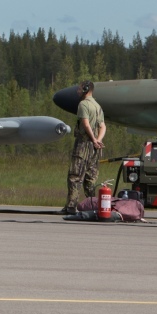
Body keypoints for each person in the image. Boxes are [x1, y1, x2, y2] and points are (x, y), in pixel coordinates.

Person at [62, 79, 105, 214]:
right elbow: (103, 126)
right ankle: (92, 206)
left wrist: (92, 139)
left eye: (80, 89)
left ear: (86, 89)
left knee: (75, 176)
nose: (78, 91)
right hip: (95, 148)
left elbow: (85, 124)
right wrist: (98, 141)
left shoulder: (83, 105)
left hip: (84, 145)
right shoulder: (98, 106)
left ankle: (71, 206)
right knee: (90, 178)